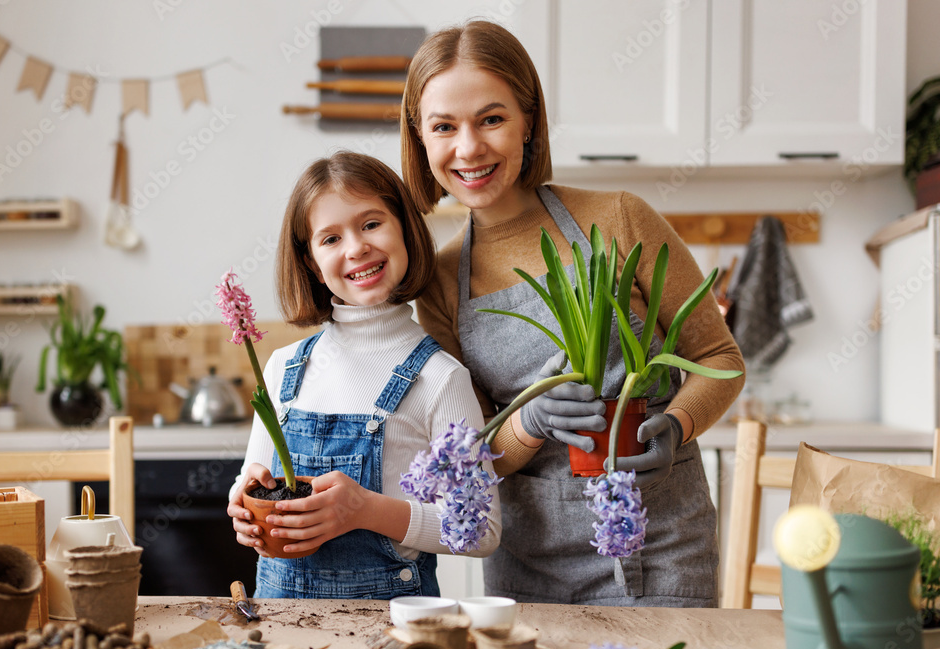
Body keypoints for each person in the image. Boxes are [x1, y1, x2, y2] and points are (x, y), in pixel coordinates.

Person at [400, 20, 744, 607]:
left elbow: (720, 358)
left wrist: (677, 424)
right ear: (422, 138)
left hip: (662, 545)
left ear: (528, 121)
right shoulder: (436, 279)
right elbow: (478, 452)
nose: (469, 148)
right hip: (529, 568)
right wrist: (529, 423)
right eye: (444, 127)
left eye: (491, 118)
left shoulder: (618, 219)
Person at [227, 151, 501, 599]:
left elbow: (481, 530)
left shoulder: (441, 378)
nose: (356, 248)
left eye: (371, 224)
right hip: (283, 633)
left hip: (393, 637)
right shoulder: (281, 368)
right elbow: (249, 481)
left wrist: (364, 510)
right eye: (330, 238)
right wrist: (244, 506)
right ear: (313, 263)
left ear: (406, 231)